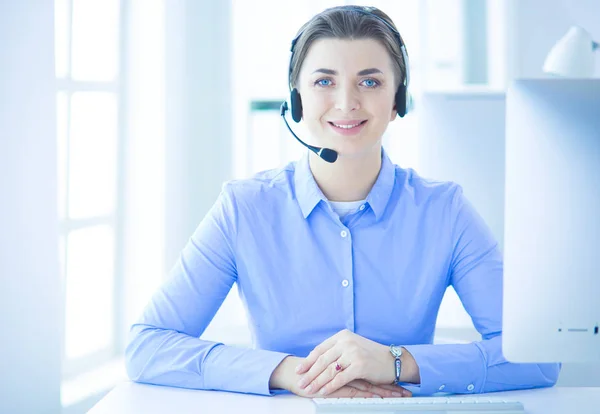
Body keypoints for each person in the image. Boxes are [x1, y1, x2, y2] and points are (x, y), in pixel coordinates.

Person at [125, 5, 560, 398]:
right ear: (296, 99)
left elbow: (538, 356)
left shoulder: (444, 211)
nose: (347, 102)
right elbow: (148, 346)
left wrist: (395, 363)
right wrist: (289, 372)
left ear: (397, 100)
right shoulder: (243, 209)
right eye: (324, 81)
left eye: (369, 81)